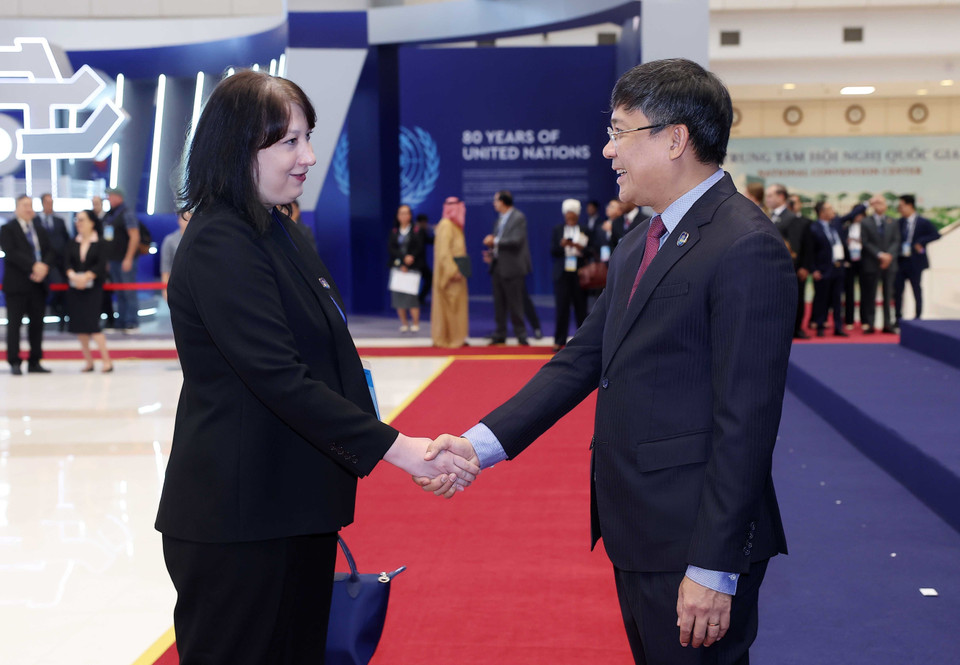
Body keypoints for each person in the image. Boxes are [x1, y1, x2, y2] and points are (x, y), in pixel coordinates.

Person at [421, 58, 796, 664]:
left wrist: (713, 565)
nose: (606, 149)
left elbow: (746, 421)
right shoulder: (636, 244)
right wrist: (477, 446)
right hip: (638, 530)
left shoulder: (745, 245)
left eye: (620, 131)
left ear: (675, 139)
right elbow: (580, 361)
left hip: (692, 541)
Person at [153, 70, 478, 665]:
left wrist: (395, 445)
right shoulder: (221, 240)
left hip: (293, 507)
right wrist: (401, 451)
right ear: (235, 148)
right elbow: (279, 377)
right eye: (289, 142)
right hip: (240, 520)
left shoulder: (280, 230)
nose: (307, 157)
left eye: (308, 137)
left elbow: (331, 360)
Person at [1, 194, 55, 374]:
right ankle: (14, 361)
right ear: (16, 208)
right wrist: (34, 266)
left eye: (31, 205)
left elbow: (49, 251)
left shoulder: (40, 229)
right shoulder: (8, 229)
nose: (28, 209)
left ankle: (35, 361)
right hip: (17, 285)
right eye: (25, 205)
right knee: (14, 325)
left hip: (38, 285)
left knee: (37, 324)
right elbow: (12, 252)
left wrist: (44, 267)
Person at [65, 209, 113, 373]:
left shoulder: (100, 242)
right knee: (80, 326)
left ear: (92, 222)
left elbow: (101, 265)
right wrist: (73, 276)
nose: (79, 223)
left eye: (82, 220)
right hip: (75, 289)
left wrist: (86, 277)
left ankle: (107, 361)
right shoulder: (73, 242)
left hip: (93, 289)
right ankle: (89, 361)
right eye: (77, 220)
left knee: (93, 325)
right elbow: (67, 262)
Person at [484, 190, 531, 345]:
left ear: (503, 202)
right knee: (499, 303)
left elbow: (516, 240)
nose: (494, 203)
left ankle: (521, 334)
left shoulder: (518, 217)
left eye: (496, 200)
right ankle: (500, 333)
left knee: (515, 302)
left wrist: (495, 241)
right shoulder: (499, 220)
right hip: (498, 266)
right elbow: (499, 242)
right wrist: (492, 253)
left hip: (513, 267)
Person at [766, 183, 813, 339]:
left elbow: (795, 246)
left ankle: (796, 329)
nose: (767, 199)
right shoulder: (770, 216)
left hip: (789, 268)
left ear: (781, 196)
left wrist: (801, 266)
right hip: (772, 268)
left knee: (793, 300)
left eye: (770, 196)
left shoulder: (790, 218)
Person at [894, 194, 940, 325]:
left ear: (910, 206)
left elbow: (936, 235)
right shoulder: (899, 222)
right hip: (901, 260)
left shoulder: (923, 222)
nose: (900, 209)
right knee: (898, 290)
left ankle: (918, 316)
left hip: (915, 261)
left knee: (916, 289)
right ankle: (898, 318)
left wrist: (921, 242)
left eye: (901, 206)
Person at [550, 198, 589, 351]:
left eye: (572, 213)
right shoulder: (558, 229)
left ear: (577, 215)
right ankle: (559, 340)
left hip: (579, 273)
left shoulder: (584, 229)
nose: (570, 216)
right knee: (562, 307)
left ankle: (584, 340)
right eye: (567, 213)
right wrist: (562, 245)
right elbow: (553, 251)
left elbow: (590, 250)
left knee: (581, 308)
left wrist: (577, 246)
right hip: (562, 273)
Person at [101, 187, 141, 333]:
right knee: (119, 293)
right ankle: (122, 321)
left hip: (125, 259)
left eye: (110, 196)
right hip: (113, 260)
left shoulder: (127, 213)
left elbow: (134, 236)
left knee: (129, 292)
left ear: (118, 197)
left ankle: (132, 322)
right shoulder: (109, 215)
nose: (108, 199)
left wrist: (128, 258)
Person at [431, 197, 469, 348]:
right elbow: (444, 254)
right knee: (450, 308)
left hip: (457, 274)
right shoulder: (446, 225)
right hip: (451, 276)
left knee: (457, 308)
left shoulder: (455, 226)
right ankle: (449, 340)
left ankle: (456, 338)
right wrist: (453, 271)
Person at [862, 194, 900, 333]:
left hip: (889, 263)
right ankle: (870, 323)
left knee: (888, 294)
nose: (879, 205)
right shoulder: (866, 222)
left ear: (886, 205)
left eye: (881, 202)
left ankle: (887, 324)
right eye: (876, 202)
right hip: (872, 262)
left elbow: (896, 241)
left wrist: (888, 256)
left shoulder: (893, 221)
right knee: (870, 294)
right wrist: (880, 255)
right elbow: (865, 242)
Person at [809, 200, 847, 337]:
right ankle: (820, 325)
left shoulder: (834, 226)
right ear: (822, 212)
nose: (833, 211)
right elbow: (811, 252)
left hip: (838, 268)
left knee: (837, 299)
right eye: (830, 209)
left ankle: (838, 327)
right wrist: (814, 269)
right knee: (822, 299)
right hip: (823, 269)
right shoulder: (814, 228)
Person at [387, 204, 426, 333]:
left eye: (406, 213)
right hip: (398, 267)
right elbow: (392, 248)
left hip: (413, 268)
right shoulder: (394, 231)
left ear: (410, 215)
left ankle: (415, 323)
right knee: (399, 296)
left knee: (411, 297)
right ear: (398, 216)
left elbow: (419, 247)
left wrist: (410, 258)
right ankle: (404, 323)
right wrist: (402, 259)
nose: (404, 216)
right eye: (401, 213)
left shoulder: (416, 230)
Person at [37, 193, 70, 330]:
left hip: (58, 264)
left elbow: (67, 241)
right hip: (41, 264)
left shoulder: (59, 221)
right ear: (42, 203)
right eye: (47, 202)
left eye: (51, 202)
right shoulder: (35, 221)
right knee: (40, 293)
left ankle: (61, 319)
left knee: (60, 290)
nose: (49, 205)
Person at [839, 204, 868, 330]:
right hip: (849, 261)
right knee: (849, 292)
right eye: (856, 214)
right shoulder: (846, 227)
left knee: (865, 291)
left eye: (861, 215)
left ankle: (864, 320)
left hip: (863, 261)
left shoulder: (867, 227)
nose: (858, 217)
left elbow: (871, 243)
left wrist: (861, 241)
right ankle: (849, 319)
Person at [160, 210, 191, 301]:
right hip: (176, 282)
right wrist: (164, 288)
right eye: (185, 219)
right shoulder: (170, 240)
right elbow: (165, 266)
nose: (188, 222)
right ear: (179, 220)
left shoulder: (198, 239)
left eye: (190, 219)